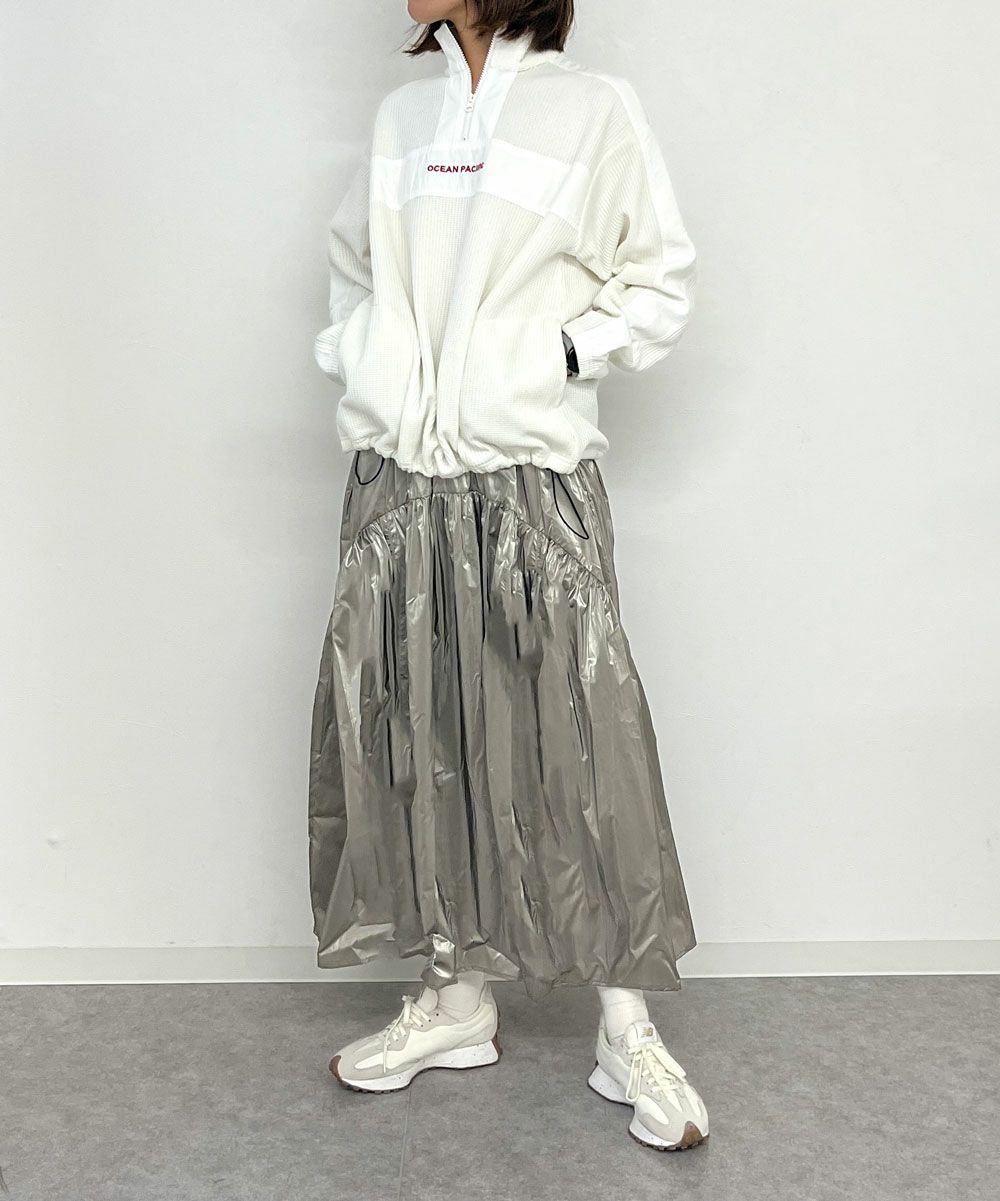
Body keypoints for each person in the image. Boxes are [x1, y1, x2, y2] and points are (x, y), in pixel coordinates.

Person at [308, 0, 707, 1152]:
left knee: (577, 738)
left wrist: (547, 356)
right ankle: (454, 997)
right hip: (401, 476)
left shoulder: (591, 110)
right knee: (418, 730)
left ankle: (624, 1025)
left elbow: (657, 279)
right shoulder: (401, 119)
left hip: (530, 468)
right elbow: (353, 274)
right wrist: (370, 361)